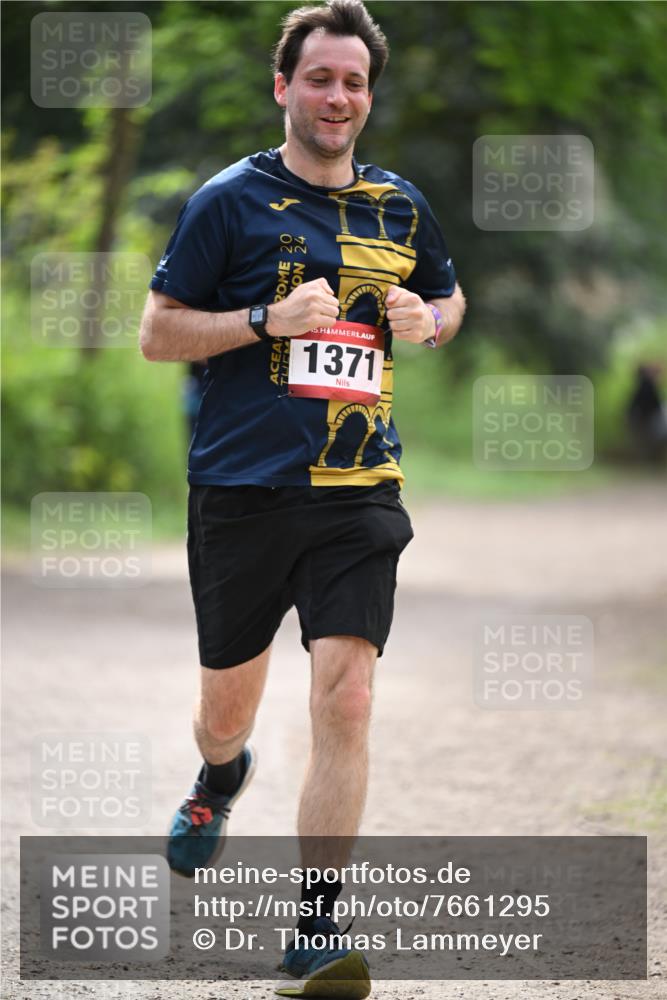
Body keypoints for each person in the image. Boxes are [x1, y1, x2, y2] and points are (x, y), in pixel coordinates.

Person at [140, 1, 466, 995]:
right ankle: (219, 776)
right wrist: (260, 317)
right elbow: (158, 332)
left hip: (359, 487)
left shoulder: (399, 207)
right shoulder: (227, 202)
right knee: (223, 713)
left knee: (348, 695)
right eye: (319, 78)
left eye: (354, 81)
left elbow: (449, 295)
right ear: (284, 87)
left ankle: (314, 929)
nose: (337, 97)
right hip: (241, 489)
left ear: (369, 95)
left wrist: (431, 319)